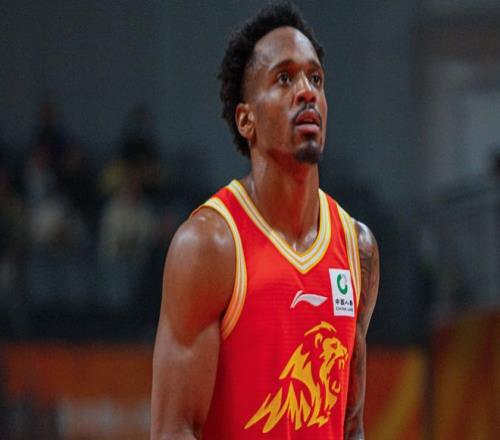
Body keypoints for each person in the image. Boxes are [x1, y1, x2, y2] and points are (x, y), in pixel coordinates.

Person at [151, 2, 379, 439]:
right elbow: (172, 430)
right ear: (246, 119)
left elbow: (351, 425)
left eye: (315, 79)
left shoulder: (357, 247)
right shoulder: (208, 246)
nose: (306, 91)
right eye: (284, 78)